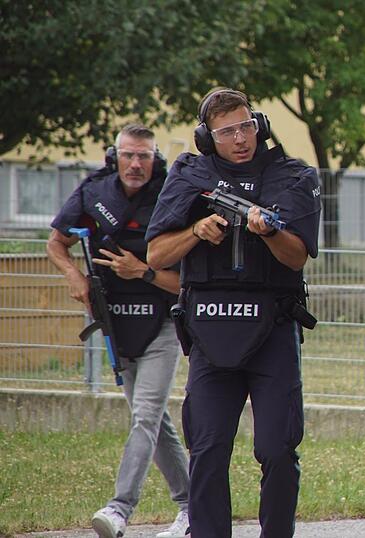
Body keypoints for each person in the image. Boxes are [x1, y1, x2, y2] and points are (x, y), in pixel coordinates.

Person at [145, 88, 321, 538]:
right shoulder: (190, 173)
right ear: (207, 137)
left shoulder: (291, 174)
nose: (240, 138)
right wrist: (197, 231)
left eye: (246, 126)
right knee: (207, 448)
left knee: (278, 448)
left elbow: (297, 256)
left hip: (272, 330)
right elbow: (157, 254)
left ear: (258, 125)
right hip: (209, 331)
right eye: (227, 131)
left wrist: (266, 231)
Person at [47, 124, 191, 538]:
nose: (135, 163)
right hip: (116, 322)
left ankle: (119, 508)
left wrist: (141, 271)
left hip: (161, 323)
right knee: (153, 420)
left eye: (144, 155)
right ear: (115, 156)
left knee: (145, 415)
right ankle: (192, 506)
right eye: (128, 154)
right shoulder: (95, 190)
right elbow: (56, 242)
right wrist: (74, 275)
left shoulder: (172, 194)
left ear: (155, 158)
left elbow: (186, 282)